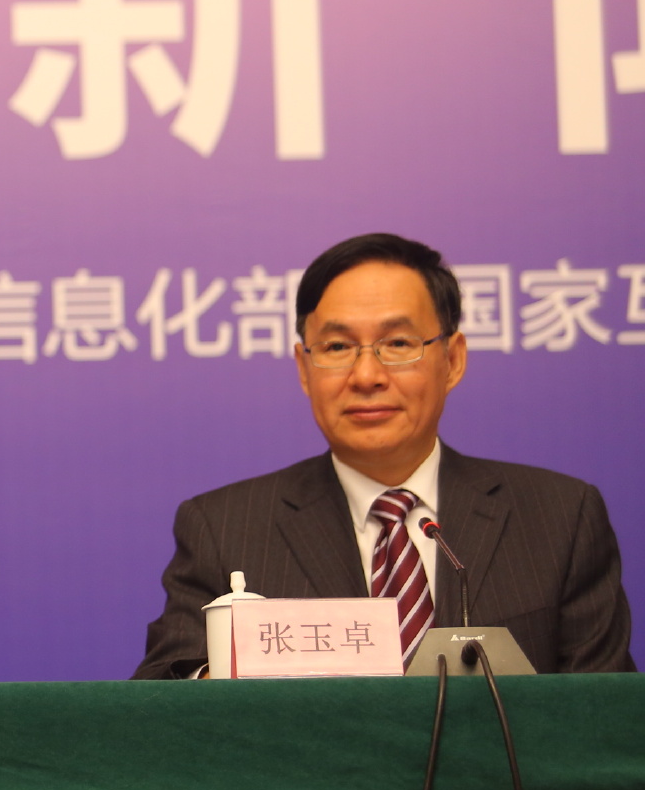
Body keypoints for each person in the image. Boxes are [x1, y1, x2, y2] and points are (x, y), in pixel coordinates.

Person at [134, 232, 634, 679]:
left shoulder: (559, 518)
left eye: (397, 343)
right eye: (337, 347)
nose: (367, 376)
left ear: (453, 359)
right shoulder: (224, 528)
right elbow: (162, 695)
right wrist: (223, 680)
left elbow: (605, 719)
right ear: (304, 368)